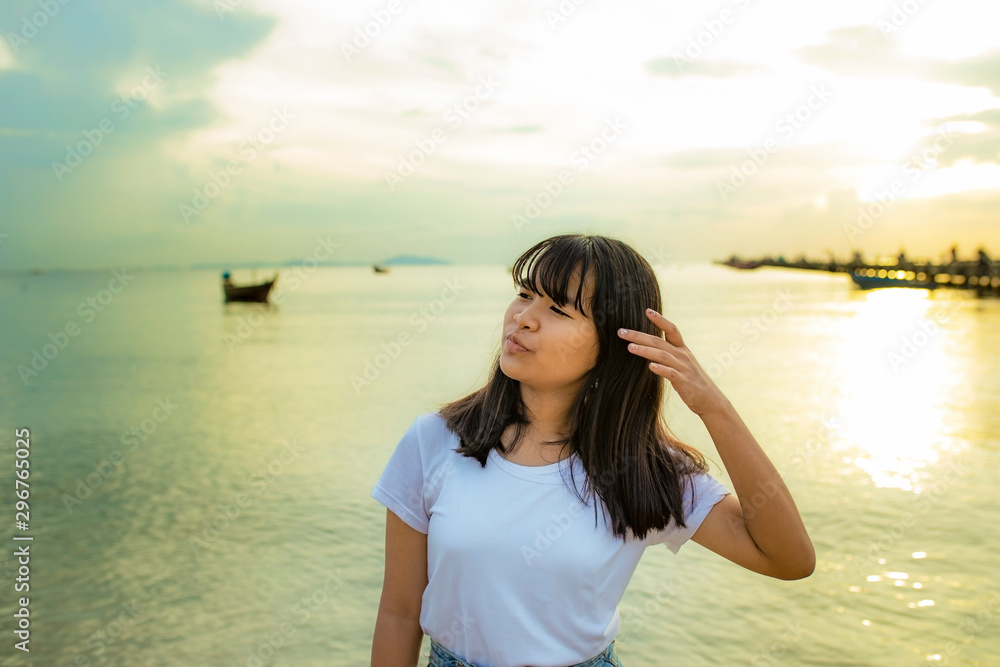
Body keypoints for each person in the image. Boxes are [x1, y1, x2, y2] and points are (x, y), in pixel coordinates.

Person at [370, 234, 814, 667]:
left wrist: (714, 408)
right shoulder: (435, 440)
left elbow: (789, 559)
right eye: (525, 294)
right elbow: (399, 613)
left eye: (559, 308)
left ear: (613, 346)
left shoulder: (644, 466)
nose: (524, 317)